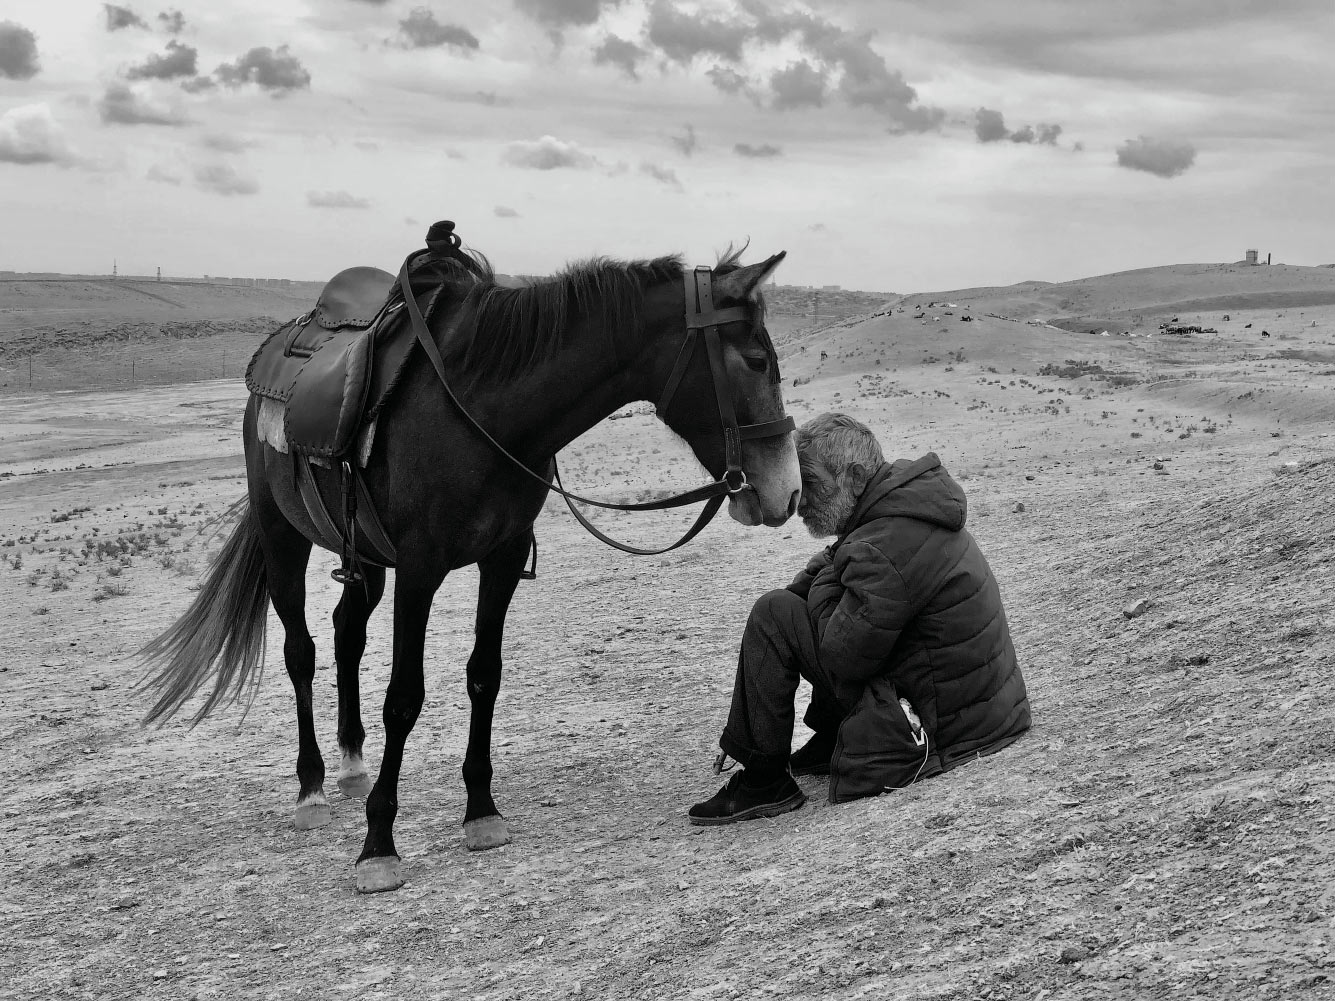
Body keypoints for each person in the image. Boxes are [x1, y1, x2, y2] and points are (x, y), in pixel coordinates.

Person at [688, 413, 1030, 825]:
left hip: (942, 729)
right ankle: (825, 738)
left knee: (773, 615)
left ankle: (764, 782)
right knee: (793, 608)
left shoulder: (882, 544)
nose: (802, 504)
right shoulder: (899, 511)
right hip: (979, 713)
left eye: (811, 483)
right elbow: (830, 574)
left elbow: (842, 656)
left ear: (853, 475)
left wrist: (826, 582)